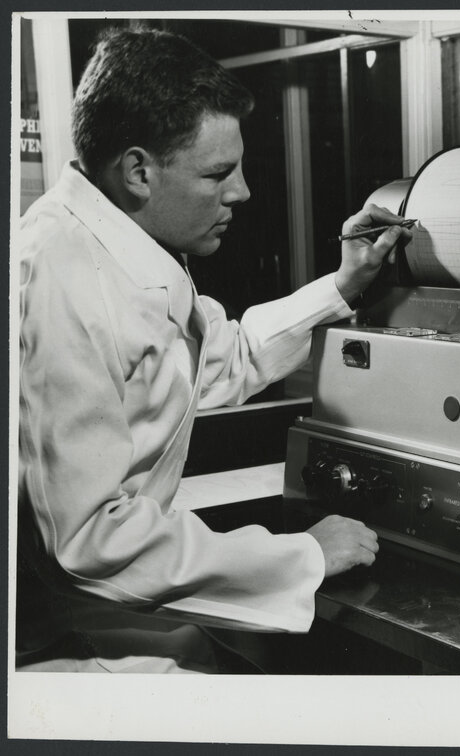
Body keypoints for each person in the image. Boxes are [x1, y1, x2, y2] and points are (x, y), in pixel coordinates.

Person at [16, 27, 412, 672]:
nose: (242, 193)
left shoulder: (112, 248)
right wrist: (301, 555)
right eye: (217, 173)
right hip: (62, 640)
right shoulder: (64, 283)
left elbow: (222, 357)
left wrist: (346, 284)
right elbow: (87, 542)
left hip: (103, 612)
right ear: (139, 170)